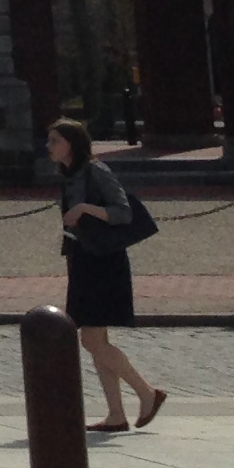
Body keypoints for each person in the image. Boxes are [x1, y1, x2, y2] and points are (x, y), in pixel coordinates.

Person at [49, 117, 167, 432]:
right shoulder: (68, 176)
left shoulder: (96, 171)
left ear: (71, 144)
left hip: (104, 261)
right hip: (82, 260)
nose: (49, 147)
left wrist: (85, 209)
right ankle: (116, 415)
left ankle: (147, 393)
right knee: (96, 340)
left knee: (90, 339)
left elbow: (123, 212)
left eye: (55, 141)